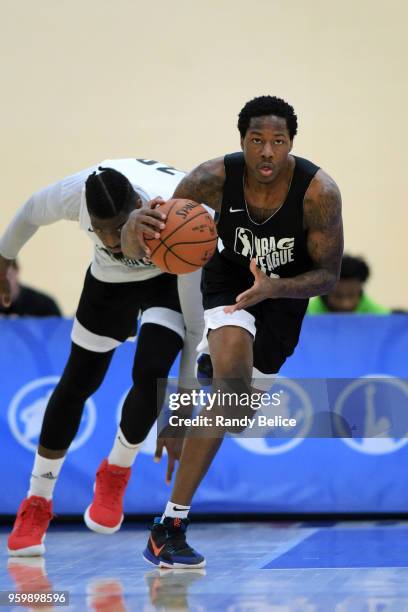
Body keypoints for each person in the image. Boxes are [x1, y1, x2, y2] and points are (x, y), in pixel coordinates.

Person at [122, 95, 344, 568]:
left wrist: (276, 287)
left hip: (284, 296)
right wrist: (133, 230)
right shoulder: (212, 178)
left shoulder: (318, 191)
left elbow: (327, 276)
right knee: (233, 393)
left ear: (291, 144)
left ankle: (213, 371)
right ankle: (169, 527)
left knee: (235, 411)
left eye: (277, 142)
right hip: (230, 282)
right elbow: (156, 230)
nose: (267, 152)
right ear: (242, 140)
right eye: (257, 140)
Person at [0, 159, 204, 556]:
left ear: (141, 212)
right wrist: (4, 256)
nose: (110, 240)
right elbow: (28, 212)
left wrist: (180, 409)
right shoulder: (75, 193)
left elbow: (195, 328)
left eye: (120, 230)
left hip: (166, 282)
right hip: (109, 284)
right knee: (78, 381)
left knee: (151, 371)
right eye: (101, 230)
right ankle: (37, 500)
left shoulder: (181, 219)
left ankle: (116, 471)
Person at [307, 254, 390, 313]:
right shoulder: (305, 317)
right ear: (324, 291)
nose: (346, 304)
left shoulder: (380, 317)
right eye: (338, 296)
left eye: (352, 295)